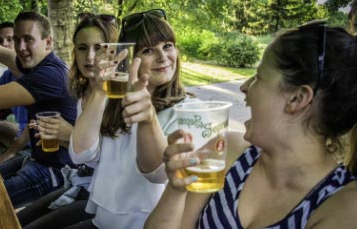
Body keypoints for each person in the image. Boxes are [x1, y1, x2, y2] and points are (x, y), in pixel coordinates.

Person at [145, 21, 357, 229]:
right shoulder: (228, 152)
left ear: (297, 98)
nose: (244, 87)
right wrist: (176, 189)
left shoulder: (344, 205)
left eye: (258, 77)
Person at [67, 9, 196, 228]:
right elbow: (81, 154)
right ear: (129, 59)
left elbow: (158, 174)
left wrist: (149, 120)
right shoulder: (114, 101)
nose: (163, 57)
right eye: (148, 50)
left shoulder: (190, 111)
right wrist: (99, 91)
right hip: (101, 221)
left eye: (168, 46)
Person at [16, 13, 119, 228]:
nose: (90, 56)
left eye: (98, 47)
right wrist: (59, 136)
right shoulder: (82, 92)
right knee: (15, 220)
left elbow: (122, 163)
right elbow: (83, 157)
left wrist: (69, 136)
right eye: (82, 48)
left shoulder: (118, 95)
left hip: (105, 197)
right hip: (80, 181)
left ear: (113, 51)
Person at [0, 11, 77, 208]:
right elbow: (3, 53)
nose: (21, 47)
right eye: (17, 39)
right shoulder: (40, 64)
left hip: (55, 171)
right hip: (36, 159)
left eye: (28, 39)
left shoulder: (49, 75)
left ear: (48, 42)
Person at [0, 21, 30, 162]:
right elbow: (1, 106)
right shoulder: (7, 75)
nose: (4, 44)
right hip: (20, 134)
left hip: (37, 142)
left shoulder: (33, 72)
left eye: (10, 39)